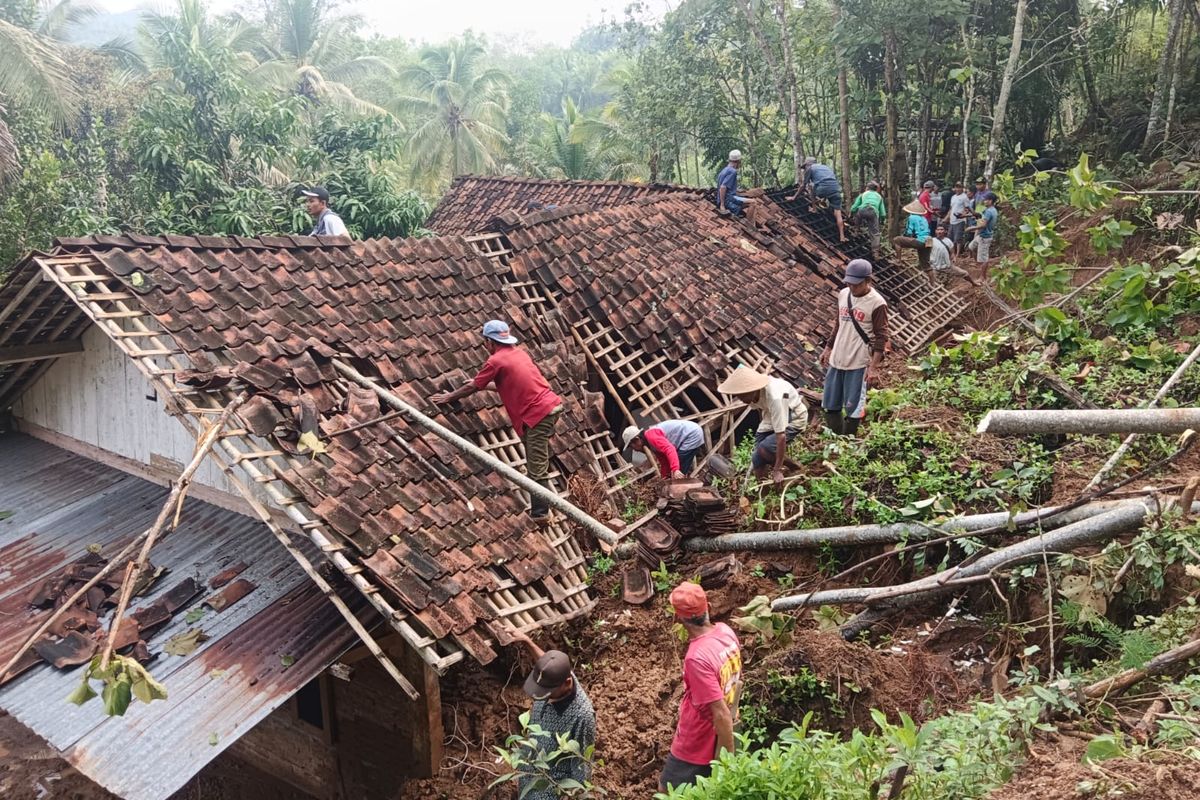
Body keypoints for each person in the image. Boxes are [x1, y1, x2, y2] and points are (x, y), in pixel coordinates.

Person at [430, 320, 562, 520]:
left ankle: (540, 514)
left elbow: (472, 388)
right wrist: (479, 383)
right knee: (534, 454)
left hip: (538, 413)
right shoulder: (519, 353)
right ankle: (542, 508)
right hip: (549, 406)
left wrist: (450, 397)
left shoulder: (495, 361)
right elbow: (505, 383)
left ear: (489, 342)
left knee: (536, 467)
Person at [660, 581, 742, 794]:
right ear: (707, 608)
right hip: (729, 724)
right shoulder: (726, 631)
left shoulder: (696, 658)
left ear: (678, 618)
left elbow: (720, 713)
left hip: (698, 737)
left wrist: (726, 758)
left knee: (668, 791)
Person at [508, 630, 597, 800]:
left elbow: (581, 766)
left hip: (548, 789)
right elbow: (548, 666)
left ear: (567, 684)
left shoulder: (582, 716)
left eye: (547, 692)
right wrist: (528, 642)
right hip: (529, 773)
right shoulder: (557, 677)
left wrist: (577, 795)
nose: (543, 695)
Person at [821, 259, 888, 436]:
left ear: (868, 281)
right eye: (849, 284)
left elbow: (881, 337)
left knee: (854, 408)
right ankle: (837, 437)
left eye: (857, 285)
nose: (852, 288)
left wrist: (873, 368)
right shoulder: (843, 294)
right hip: (837, 359)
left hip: (858, 362)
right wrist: (828, 348)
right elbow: (838, 324)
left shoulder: (877, 303)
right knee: (830, 405)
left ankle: (848, 439)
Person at [716, 365, 807, 486]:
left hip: (794, 416)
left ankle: (793, 467)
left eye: (743, 395)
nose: (741, 399)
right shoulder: (753, 395)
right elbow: (761, 408)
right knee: (757, 458)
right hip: (770, 416)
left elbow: (781, 437)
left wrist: (777, 469)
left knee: (765, 449)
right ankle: (763, 490)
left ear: (752, 390)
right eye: (738, 396)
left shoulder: (775, 397)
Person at [622, 420, 705, 479]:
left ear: (637, 439)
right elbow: (664, 461)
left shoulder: (651, 436)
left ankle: (680, 495)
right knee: (677, 469)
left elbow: (670, 449)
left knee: (679, 468)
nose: (635, 450)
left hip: (691, 434)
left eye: (632, 446)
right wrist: (664, 478)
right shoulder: (651, 444)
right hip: (689, 434)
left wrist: (675, 469)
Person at [791, 156, 846, 242]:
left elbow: (803, 185)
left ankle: (814, 209)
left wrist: (794, 197)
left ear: (808, 164)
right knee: (838, 214)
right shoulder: (825, 167)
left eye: (805, 167)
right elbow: (828, 180)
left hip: (823, 189)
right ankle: (842, 236)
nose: (805, 169)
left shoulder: (810, 168)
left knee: (811, 187)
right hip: (836, 189)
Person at [715, 150, 764, 227]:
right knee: (753, 202)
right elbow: (723, 187)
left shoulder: (724, 170)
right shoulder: (732, 171)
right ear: (738, 161)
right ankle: (750, 226)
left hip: (726, 198)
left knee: (747, 199)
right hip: (729, 199)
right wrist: (722, 205)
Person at [891, 199, 933, 270]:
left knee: (897, 240)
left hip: (920, 240)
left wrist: (905, 238)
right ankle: (932, 281)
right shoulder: (924, 218)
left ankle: (898, 260)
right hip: (929, 240)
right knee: (926, 265)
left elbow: (909, 232)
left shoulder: (912, 217)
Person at [848, 181, 886, 255]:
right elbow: (883, 213)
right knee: (875, 233)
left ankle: (856, 230)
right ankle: (875, 252)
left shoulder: (863, 194)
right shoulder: (879, 197)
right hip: (873, 212)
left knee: (857, 214)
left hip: (862, 210)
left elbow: (854, 207)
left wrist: (851, 214)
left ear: (867, 188)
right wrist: (882, 221)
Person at [966, 192, 999, 265]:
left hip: (985, 236)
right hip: (982, 235)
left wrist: (971, 228)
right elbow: (982, 218)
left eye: (985, 200)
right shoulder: (992, 210)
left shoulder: (989, 211)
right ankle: (978, 263)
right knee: (971, 247)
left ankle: (982, 276)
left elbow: (983, 225)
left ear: (990, 201)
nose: (984, 201)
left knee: (983, 259)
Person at [944, 182, 970, 256]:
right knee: (950, 237)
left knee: (958, 238)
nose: (957, 189)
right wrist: (947, 218)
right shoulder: (953, 197)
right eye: (956, 187)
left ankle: (957, 254)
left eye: (959, 187)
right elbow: (951, 208)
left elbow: (967, 208)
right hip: (952, 220)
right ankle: (952, 253)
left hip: (960, 220)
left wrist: (963, 214)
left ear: (962, 188)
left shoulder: (964, 197)